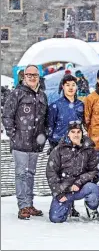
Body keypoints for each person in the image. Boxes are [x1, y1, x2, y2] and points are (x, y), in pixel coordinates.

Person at [2, 65, 48, 220]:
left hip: (35, 143)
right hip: (20, 143)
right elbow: (7, 116)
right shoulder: (16, 94)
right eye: (29, 74)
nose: (32, 77)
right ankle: (22, 206)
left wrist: (44, 135)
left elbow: (45, 118)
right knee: (21, 174)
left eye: (35, 75)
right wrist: (13, 135)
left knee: (30, 174)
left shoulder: (42, 95)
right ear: (23, 76)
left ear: (39, 76)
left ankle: (29, 204)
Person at [46, 121, 99, 223]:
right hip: (64, 189)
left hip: (81, 187)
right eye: (73, 132)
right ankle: (68, 205)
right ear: (68, 133)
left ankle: (91, 208)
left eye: (78, 132)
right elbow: (51, 173)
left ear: (82, 133)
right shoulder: (58, 150)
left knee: (93, 188)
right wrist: (59, 193)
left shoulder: (89, 149)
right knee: (56, 218)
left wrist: (79, 181)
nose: (76, 134)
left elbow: (94, 171)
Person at [48, 75, 84, 151]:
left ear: (76, 87)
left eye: (73, 85)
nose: (71, 88)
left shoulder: (80, 104)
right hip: (59, 145)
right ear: (63, 87)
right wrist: (53, 145)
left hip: (76, 145)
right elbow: (49, 127)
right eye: (67, 85)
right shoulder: (55, 105)